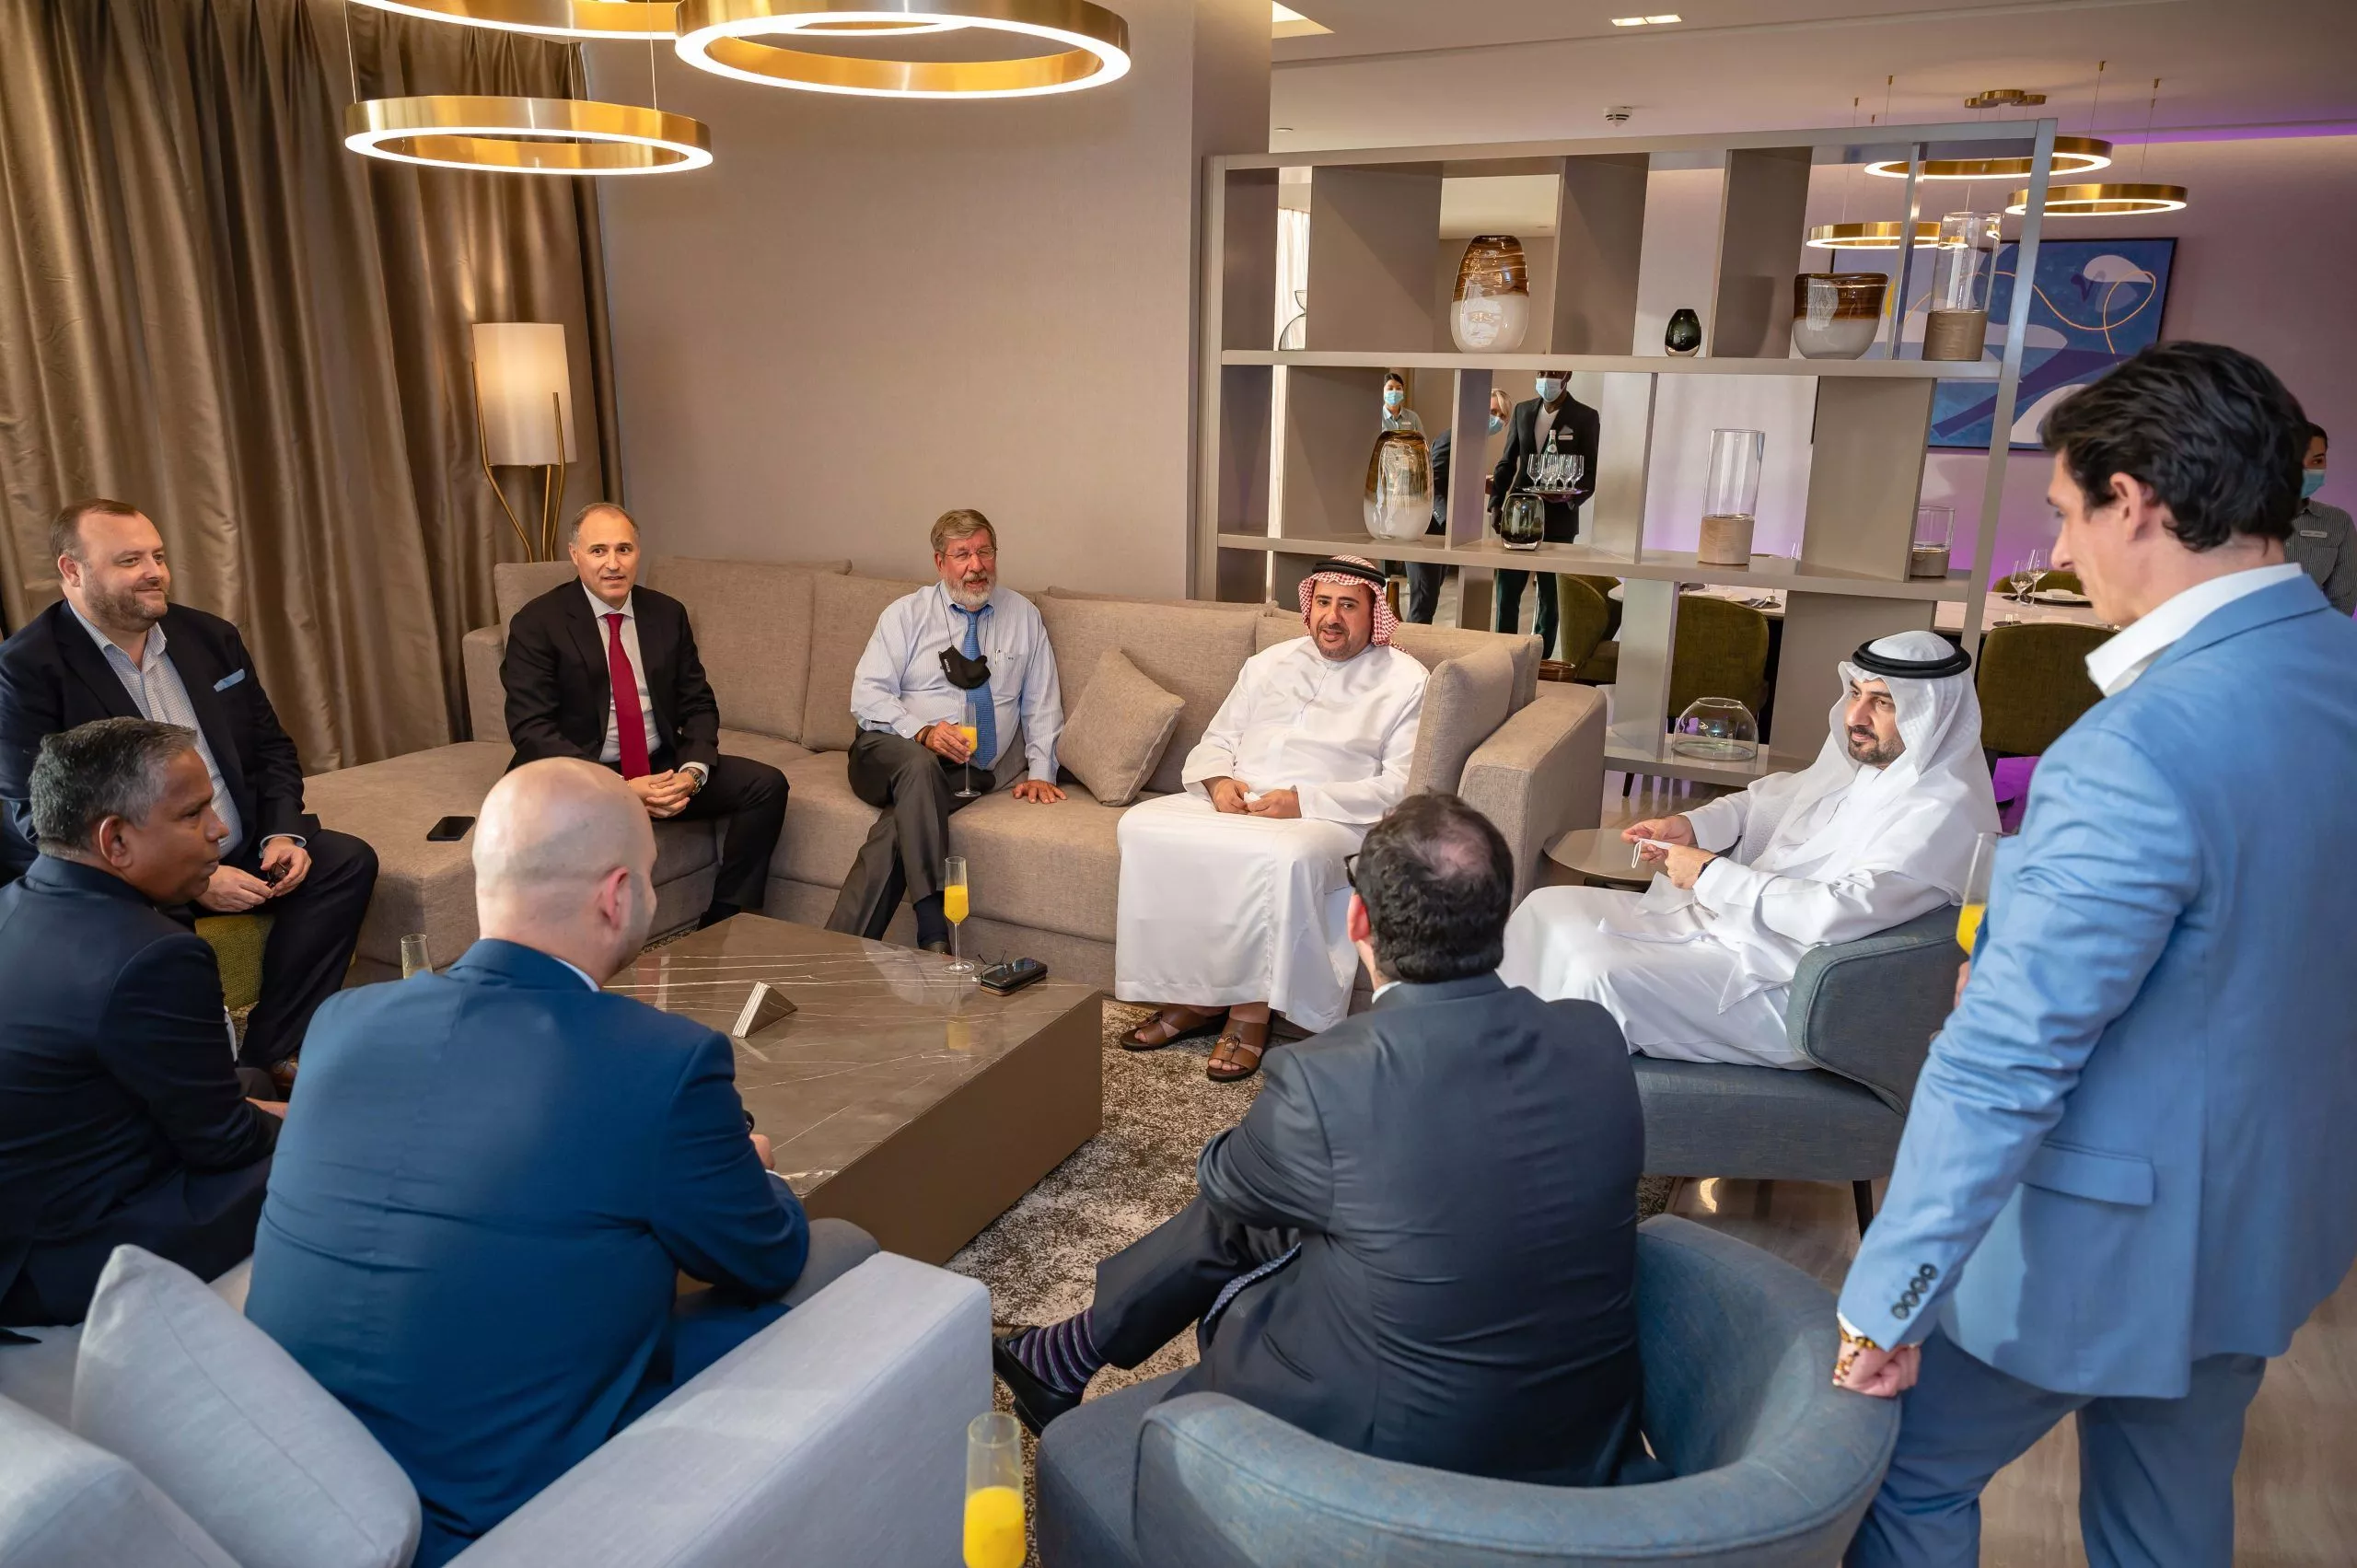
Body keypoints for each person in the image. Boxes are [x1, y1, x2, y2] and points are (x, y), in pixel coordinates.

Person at [1835, 343, 2357, 1568]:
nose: (2061, 550)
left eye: (2066, 513)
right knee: (2163, 1520)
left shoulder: (2130, 750)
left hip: (2099, 1235)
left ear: (2137, 503)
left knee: (1899, 1480)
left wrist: (1886, 1293)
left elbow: (2006, 1059)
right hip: (2267, 1212)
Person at [244, 758, 876, 1567]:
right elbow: (767, 1254)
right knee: (842, 1250)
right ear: (617, 895)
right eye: (649, 876)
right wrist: (755, 1173)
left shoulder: (342, 1021)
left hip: (302, 1486)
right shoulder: (661, 1061)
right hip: (503, 1510)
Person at [996, 794, 1646, 1486]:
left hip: (1406, 1463)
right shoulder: (1594, 1035)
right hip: (1586, 1431)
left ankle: (1070, 1355)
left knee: (1264, 1206)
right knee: (1329, 1186)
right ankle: (1064, 1354)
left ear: (1357, 919)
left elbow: (1225, 1183)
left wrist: (1298, 1137)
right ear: (1499, 915)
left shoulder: (1327, 1078)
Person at [0, 499, 379, 1081]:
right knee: (163, 949)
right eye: (129, 560)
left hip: (233, 841)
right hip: (133, 870)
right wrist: (195, 875)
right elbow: (35, 815)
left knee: (345, 862)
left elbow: (272, 749)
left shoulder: (209, 636)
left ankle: (266, 1055)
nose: (155, 571)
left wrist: (282, 834)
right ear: (72, 571)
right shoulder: (26, 667)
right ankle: (213, 1076)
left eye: (157, 555)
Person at [1500, 632, 1996, 1070]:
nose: (1855, 716)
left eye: (1882, 702)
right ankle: (1492, 1065)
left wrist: (1710, 874)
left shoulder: (1943, 812)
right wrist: (1690, 826)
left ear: (1931, 714)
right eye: (1855, 694)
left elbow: (1836, 913)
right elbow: (1766, 798)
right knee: (1547, 908)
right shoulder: (1875, 766)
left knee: (1598, 975)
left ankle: (1546, 1118)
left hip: (1796, 989)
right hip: (1746, 934)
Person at [0, 718, 282, 1327]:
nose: (220, 829)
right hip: (58, 1253)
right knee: (339, 1145)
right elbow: (225, 1143)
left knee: (254, 1080)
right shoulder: (152, 953)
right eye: (193, 813)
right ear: (116, 841)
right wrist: (317, 1114)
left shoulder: (15, 902)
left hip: (34, 1193)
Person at [1115, 556, 1425, 1080]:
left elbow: (1398, 786)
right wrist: (1218, 783)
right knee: (1140, 827)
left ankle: (1250, 1012)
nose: (1331, 617)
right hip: (1242, 802)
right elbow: (1216, 740)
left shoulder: (1405, 680)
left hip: (1332, 818)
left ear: (1374, 611)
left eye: (1347, 605)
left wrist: (1303, 801)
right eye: (1322, 602)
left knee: (1284, 855)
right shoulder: (1270, 663)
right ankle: (1198, 998)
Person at [502, 502, 787, 930]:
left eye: (624, 549)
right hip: (576, 773)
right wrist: (618, 788)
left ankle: (725, 922)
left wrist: (692, 773)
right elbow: (532, 730)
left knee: (766, 785)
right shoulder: (537, 623)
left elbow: (698, 702)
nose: (613, 564)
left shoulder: (666, 614)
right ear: (575, 555)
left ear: (638, 552)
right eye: (598, 551)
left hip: (658, 765)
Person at [828, 508, 1064, 947]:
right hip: (886, 751)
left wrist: (1041, 773)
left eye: (985, 552)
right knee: (919, 764)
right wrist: (922, 732)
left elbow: (1042, 700)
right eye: (962, 555)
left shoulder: (1024, 617)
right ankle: (933, 928)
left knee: (898, 829)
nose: (976, 566)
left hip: (966, 771)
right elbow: (867, 695)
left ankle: (834, 956)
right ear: (940, 562)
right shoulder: (905, 615)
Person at [1489, 370, 1599, 655]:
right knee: (1507, 592)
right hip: (1520, 513)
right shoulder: (1523, 411)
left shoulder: (1585, 416)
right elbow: (1507, 462)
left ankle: (1540, 661)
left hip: (1560, 519)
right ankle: (1503, 655)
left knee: (1551, 598)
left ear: (1567, 375)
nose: (1546, 378)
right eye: (1542, 373)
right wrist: (1496, 503)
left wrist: (1569, 498)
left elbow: (1589, 474)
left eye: (1553, 373)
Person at [1405, 386, 1509, 625]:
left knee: (1430, 599)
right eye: (1493, 412)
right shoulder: (1452, 437)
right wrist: (1448, 519)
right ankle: (1409, 649)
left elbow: (1454, 479)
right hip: (1426, 530)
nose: (1497, 419)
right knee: (1423, 603)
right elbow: (1430, 481)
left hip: (1443, 533)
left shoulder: (1475, 442)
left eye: (1502, 416)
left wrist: (1480, 484)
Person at [2289, 421, 2354, 614]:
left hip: (2311, 630)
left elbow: (2343, 601)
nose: (2306, 469)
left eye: (2317, 461)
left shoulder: (2337, 522)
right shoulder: (2240, 518)